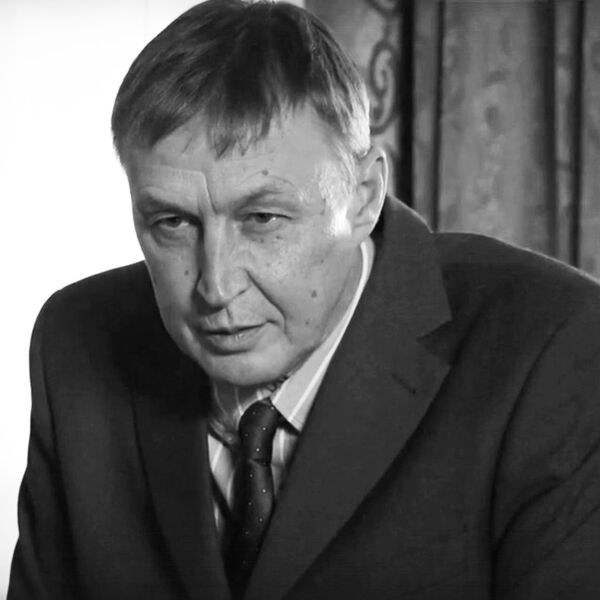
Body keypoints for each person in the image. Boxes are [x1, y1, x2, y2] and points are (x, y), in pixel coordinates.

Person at [8, 1, 600, 598]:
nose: (215, 286)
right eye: (173, 223)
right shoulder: (75, 341)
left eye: (262, 218)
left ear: (364, 197)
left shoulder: (554, 348)